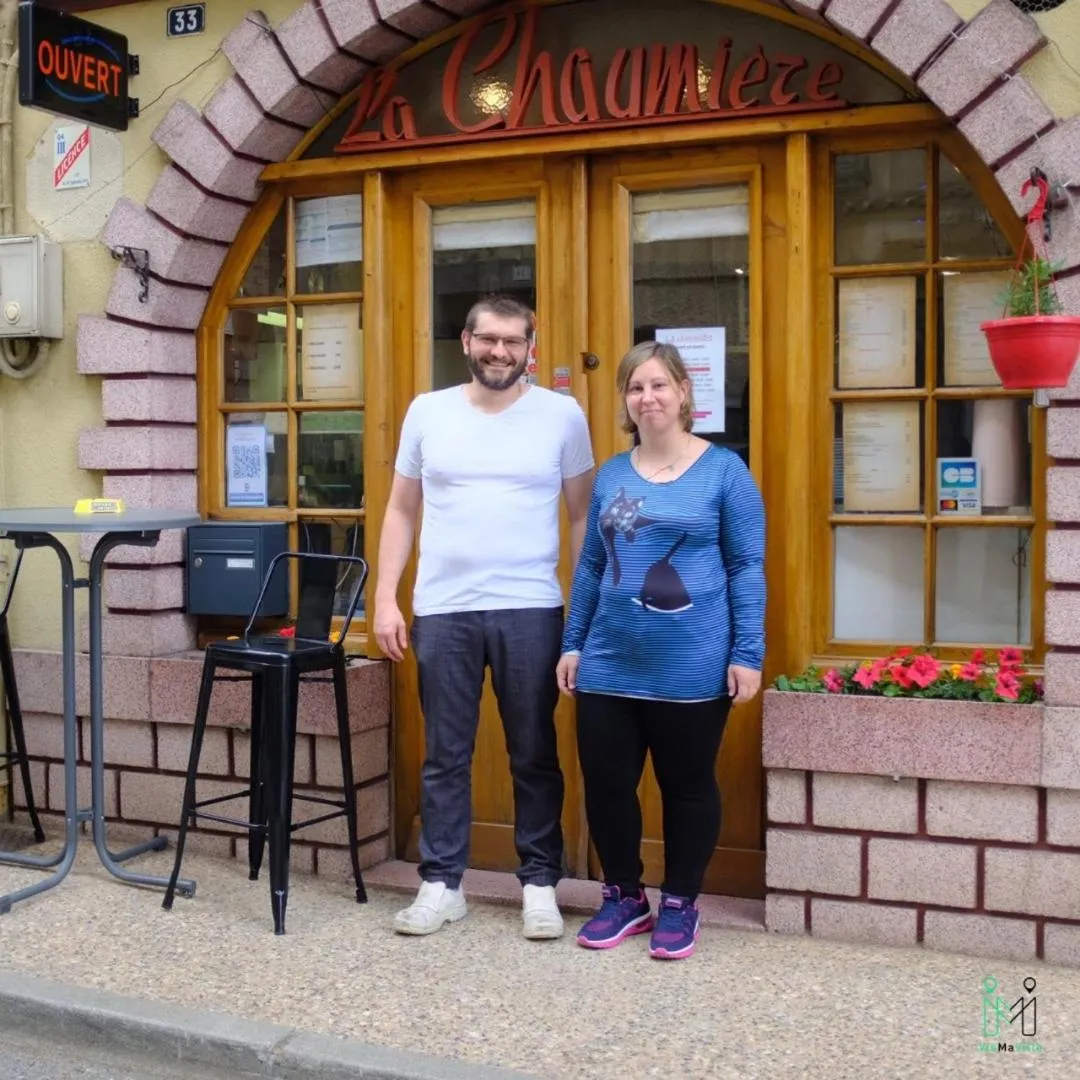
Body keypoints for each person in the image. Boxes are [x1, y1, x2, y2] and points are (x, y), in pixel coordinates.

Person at [374, 295, 595, 940]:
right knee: (445, 754)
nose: (500, 351)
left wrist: (581, 608)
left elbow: (581, 516)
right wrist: (387, 596)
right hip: (444, 610)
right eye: (488, 339)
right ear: (467, 340)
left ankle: (539, 885)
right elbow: (400, 511)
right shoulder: (427, 410)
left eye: (513, 341)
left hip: (532, 606)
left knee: (533, 752)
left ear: (533, 344)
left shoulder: (562, 415)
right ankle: (441, 884)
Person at [556, 341, 765, 961]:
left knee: (687, 785)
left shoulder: (725, 471)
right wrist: (573, 643)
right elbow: (592, 565)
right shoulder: (614, 474)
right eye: (635, 388)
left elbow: (747, 566)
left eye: (658, 385)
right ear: (625, 400)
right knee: (607, 784)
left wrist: (747, 652)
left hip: (694, 662)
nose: (647, 398)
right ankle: (623, 896)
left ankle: (680, 902)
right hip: (609, 659)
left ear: (683, 393)